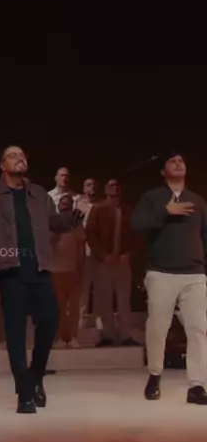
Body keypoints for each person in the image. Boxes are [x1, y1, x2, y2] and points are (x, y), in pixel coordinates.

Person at [0, 145, 83, 413]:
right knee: (16, 331)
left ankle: (35, 376)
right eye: (13, 155)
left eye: (22, 156)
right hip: (9, 269)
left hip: (40, 266)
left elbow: (55, 223)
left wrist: (75, 217)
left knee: (51, 320)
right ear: (2, 165)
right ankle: (25, 392)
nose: (19, 158)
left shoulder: (39, 194)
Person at [132, 152, 207, 404]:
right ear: (163, 172)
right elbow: (137, 225)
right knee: (158, 327)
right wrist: (165, 211)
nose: (178, 163)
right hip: (161, 272)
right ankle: (155, 374)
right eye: (172, 161)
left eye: (181, 161)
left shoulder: (197, 200)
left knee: (198, 328)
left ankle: (197, 385)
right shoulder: (152, 197)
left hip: (194, 274)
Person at [87, 179, 139, 347]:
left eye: (117, 185)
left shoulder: (128, 210)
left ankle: (125, 335)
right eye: (111, 185)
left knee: (124, 300)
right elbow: (91, 234)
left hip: (122, 262)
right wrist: (102, 255)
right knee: (104, 300)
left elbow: (137, 234)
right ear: (105, 189)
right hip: (103, 262)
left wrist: (129, 254)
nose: (114, 188)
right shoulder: (98, 209)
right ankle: (108, 335)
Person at [51, 194, 86, 348]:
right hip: (55, 270)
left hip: (72, 270)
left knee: (73, 307)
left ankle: (72, 337)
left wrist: (80, 268)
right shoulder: (52, 223)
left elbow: (81, 248)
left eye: (68, 204)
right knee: (59, 307)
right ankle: (61, 337)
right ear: (59, 206)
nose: (65, 207)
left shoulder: (77, 225)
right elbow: (46, 243)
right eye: (63, 204)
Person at [77, 178, 99, 329]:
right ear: (84, 188)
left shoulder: (103, 205)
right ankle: (81, 321)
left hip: (99, 252)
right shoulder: (78, 205)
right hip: (83, 252)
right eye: (89, 185)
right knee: (83, 288)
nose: (92, 187)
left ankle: (100, 320)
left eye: (94, 185)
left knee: (100, 288)